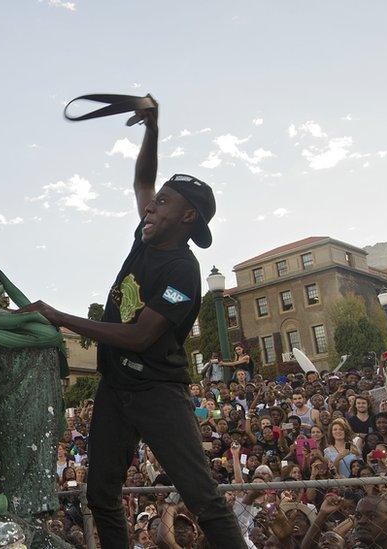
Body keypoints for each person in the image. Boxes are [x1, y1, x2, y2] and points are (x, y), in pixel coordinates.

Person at [17, 104, 244, 547]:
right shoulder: (149, 232)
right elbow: (142, 180)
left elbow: (141, 335)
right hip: (116, 388)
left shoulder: (183, 271)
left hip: (158, 390)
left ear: (187, 217)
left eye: (163, 203)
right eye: (153, 202)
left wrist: (60, 317)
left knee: (204, 499)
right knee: (101, 495)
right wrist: (153, 130)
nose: (150, 207)